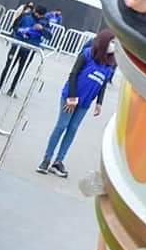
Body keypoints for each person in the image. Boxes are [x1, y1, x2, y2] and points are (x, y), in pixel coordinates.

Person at [36, 30, 117, 177]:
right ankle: (46, 159)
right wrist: (72, 97)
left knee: (72, 129)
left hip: (85, 103)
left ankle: (59, 161)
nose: (114, 46)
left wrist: (99, 102)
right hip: (70, 97)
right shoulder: (87, 54)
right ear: (104, 41)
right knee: (61, 126)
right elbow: (73, 75)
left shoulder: (110, 64)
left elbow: (103, 84)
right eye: (112, 42)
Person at [0, 4, 50, 97]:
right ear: (35, 11)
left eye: (41, 15)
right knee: (8, 66)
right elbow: (14, 27)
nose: (38, 16)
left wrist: (42, 29)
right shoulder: (25, 16)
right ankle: (0, 85)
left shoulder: (45, 22)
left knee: (21, 70)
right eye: (37, 14)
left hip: (29, 50)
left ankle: (12, 89)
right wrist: (22, 32)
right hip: (17, 45)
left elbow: (49, 36)